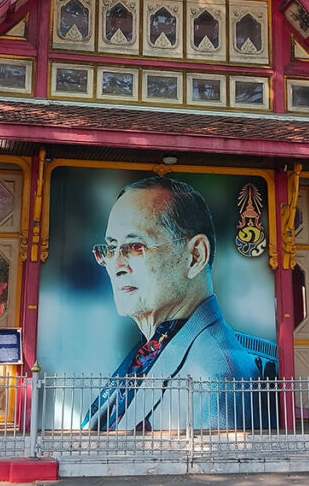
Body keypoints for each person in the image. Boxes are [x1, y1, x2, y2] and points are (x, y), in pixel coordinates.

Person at [82, 176, 262, 431]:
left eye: (135, 246)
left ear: (195, 256)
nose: (116, 266)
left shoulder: (215, 379)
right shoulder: (155, 343)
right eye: (111, 248)